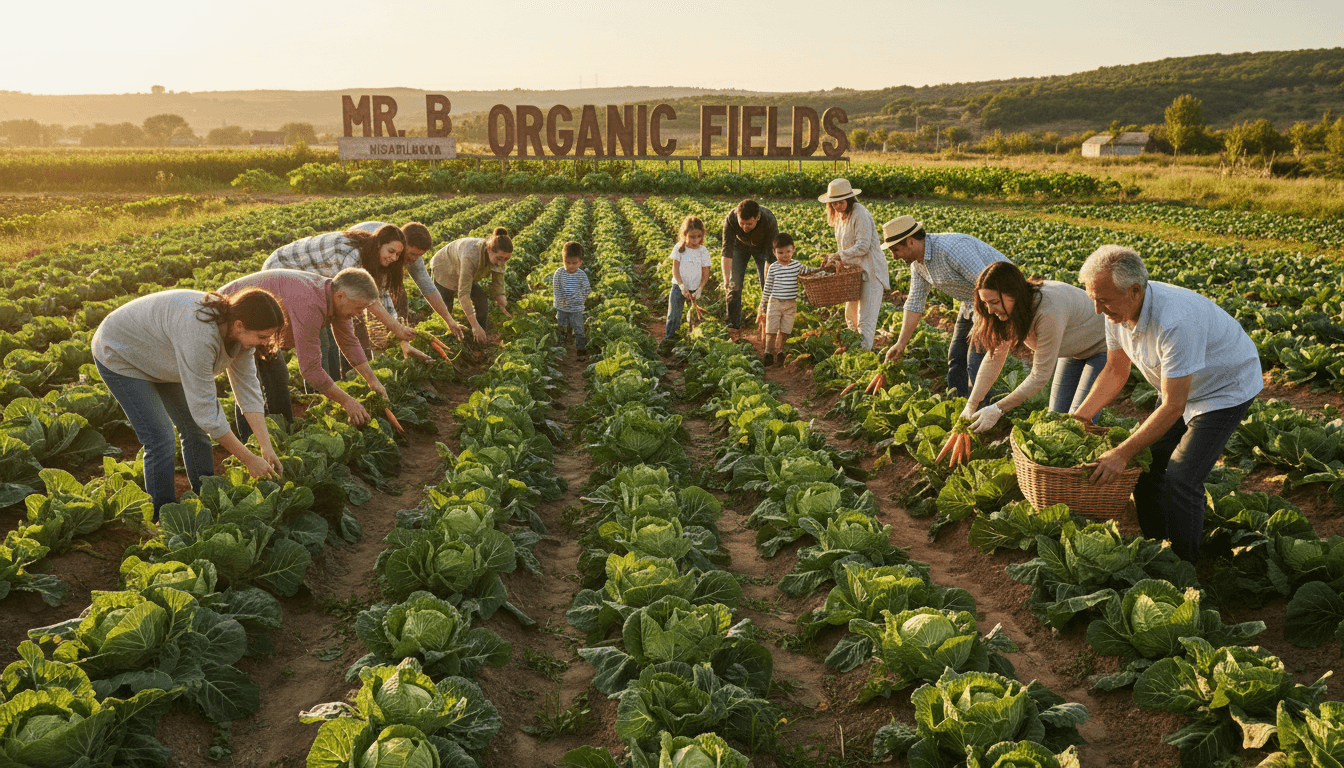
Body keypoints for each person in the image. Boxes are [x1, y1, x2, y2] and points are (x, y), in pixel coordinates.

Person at [1073, 245, 1262, 563]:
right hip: (1177, 384)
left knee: (1181, 477)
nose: (1096, 309)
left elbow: (1174, 406)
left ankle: (1184, 565)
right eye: (1093, 298)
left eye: (1102, 300)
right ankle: (1157, 549)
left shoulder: (1175, 321)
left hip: (1223, 389)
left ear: (1134, 290)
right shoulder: (1115, 310)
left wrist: (1121, 452)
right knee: (1146, 467)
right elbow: (1116, 370)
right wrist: (1079, 417)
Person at [91, 287, 286, 512]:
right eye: (262, 336)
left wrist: (266, 447)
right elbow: (208, 413)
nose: (264, 342)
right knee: (160, 436)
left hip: (163, 354)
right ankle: (162, 512)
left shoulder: (241, 337)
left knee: (194, 428)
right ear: (240, 325)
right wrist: (249, 459)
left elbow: (249, 391)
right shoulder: (199, 335)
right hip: (122, 351)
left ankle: (206, 496)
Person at [219, 268, 391, 439]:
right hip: (235, 323)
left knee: (279, 378)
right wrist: (347, 402)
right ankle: (251, 445)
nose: (359, 314)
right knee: (249, 387)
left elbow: (349, 342)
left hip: (262, 331)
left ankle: (285, 438)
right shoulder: (310, 304)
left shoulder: (336, 299)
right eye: (359, 307)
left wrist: (373, 382)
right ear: (340, 297)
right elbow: (310, 370)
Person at [960, 262, 1108, 433]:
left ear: (1014, 294)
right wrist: (971, 405)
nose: (990, 310)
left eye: (993, 302)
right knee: (1056, 421)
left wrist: (998, 409)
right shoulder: (1012, 310)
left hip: (1102, 348)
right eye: (986, 303)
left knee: (1077, 426)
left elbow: (1040, 376)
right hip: (1073, 351)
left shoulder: (1047, 310)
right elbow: (995, 357)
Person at [263, 224, 416, 379]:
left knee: (330, 337)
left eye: (398, 254)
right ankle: (321, 396)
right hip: (282, 269)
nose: (394, 258)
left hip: (312, 279)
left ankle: (337, 385)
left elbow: (380, 295)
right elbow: (368, 300)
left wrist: (398, 331)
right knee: (319, 341)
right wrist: (396, 328)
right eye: (391, 251)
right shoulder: (353, 254)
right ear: (378, 244)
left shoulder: (375, 259)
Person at [881, 215, 1010, 396]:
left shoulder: (951, 249)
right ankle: (958, 409)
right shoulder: (918, 265)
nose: (894, 257)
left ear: (910, 242)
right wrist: (900, 344)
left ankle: (981, 415)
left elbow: (989, 284)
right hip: (970, 303)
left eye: (896, 250)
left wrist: (983, 319)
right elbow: (915, 303)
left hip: (999, 299)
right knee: (956, 358)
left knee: (976, 363)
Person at [350, 220, 451, 362]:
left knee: (400, 299)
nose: (415, 259)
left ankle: (396, 346)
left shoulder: (402, 254)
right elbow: (370, 295)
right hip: (358, 263)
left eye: (419, 255)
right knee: (357, 313)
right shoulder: (381, 251)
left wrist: (449, 320)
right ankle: (367, 357)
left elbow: (426, 286)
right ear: (402, 245)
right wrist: (394, 325)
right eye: (413, 254)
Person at [818, 179, 890, 351]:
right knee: (850, 315)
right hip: (853, 273)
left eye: (840, 202)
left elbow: (863, 246)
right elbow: (842, 246)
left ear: (849, 199)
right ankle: (854, 350)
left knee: (866, 317)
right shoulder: (839, 217)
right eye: (833, 202)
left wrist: (840, 256)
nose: (837, 205)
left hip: (870, 271)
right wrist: (837, 261)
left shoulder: (860, 213)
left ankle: (863, 355)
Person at [430, 227, 514, 346]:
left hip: (465, 270)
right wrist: (474, 326)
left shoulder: (499, 257)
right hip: (445, 267)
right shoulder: (471, 256)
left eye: (506, 259)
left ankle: (480, 338)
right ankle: (442, 339)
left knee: (481, 301)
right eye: (500, 258)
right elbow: (463, 294)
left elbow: (498, 284)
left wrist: (502, 301)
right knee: (445, 307)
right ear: (489, 250)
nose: (502, 263)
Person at [756, 233, 819, 366]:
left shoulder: (797, 266)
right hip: (775, 302)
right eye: (780, 252)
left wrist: (823, 270)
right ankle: (768, 353)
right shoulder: (773, 268)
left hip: (790, 304)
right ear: (774, 252)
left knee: (785, 330)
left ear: (793, 250)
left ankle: (780, 352)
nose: (785, 255)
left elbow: (810, 271)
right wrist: (763, 304)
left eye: (788, 252)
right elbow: (767, 287)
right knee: (771, 329)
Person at [721, 199, 778, 330]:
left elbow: (770, 258)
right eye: (742, 224)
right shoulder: (731, 218)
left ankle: (769, 325)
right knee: (733, 286)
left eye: (749, 224)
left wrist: (766, 292)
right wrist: (726, 280)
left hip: (762, 248)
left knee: (768, 285)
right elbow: (727, 252)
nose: (745, 227)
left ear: (757, 217)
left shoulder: (769, 220)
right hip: (739, 247)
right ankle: (732, 328)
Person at [663, 215, 713, 351]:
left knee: (696, 318)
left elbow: (705, 274)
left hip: (695, 289)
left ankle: (693, 344)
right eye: (692, 237)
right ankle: (670, 342)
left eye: (699, 236)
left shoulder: (703, 251)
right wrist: (681, 286)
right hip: (678, 287)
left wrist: (700, 289)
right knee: (674, 315)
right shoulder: (679, 248)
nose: (695, 240)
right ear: (684, 234)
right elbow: (675, 270)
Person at [551, 241, 592, 360]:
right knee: (561, 327)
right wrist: (560, 300)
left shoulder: (581, 275)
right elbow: (556, 289)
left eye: (574, 263)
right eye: (567, 262)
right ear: (563, 260)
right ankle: (561, 349)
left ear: (580, 262)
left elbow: (587, 290)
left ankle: (581, 350)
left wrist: (578, 299)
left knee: (579, 328)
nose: (571, 265)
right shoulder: (559, 273)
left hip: (576, 309)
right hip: (562, 308)